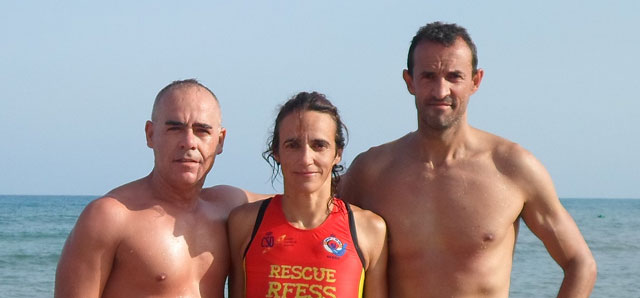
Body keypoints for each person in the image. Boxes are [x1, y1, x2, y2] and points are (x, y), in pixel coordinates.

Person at [339, 22, 597, 297]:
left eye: (454, 77)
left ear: (475, 81)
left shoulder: (512, 167)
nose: (441, 91)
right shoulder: (372, 172)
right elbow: (314, 234)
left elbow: (580, 263)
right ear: (409, 81)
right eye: (428, 76)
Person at [55, 79, 263, 297]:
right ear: (150, 134)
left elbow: (296, 200)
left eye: (202, 131)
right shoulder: (110, 216)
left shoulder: (229, 207)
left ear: (220, 141)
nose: (189, 142)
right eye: (175, 129)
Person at [227, 92, 388, 298]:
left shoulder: (369, 231)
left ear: (337, 153)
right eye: (292, 145)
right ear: (276, 152)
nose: (305, 158)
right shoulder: (245, 224)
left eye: (319, 145)